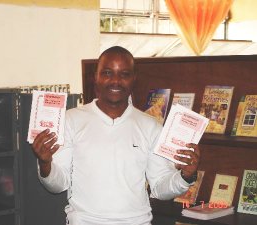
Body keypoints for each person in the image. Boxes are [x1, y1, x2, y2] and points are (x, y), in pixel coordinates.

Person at [32, 46, 200, 225]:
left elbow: (160, 188)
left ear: (134, 78)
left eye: (124, 74)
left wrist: (186, 176)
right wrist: (45, 163)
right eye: (107, 72)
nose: (115, 81)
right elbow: (58, 185)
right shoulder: (70, 120)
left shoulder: (151, 126)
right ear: (95, 77)